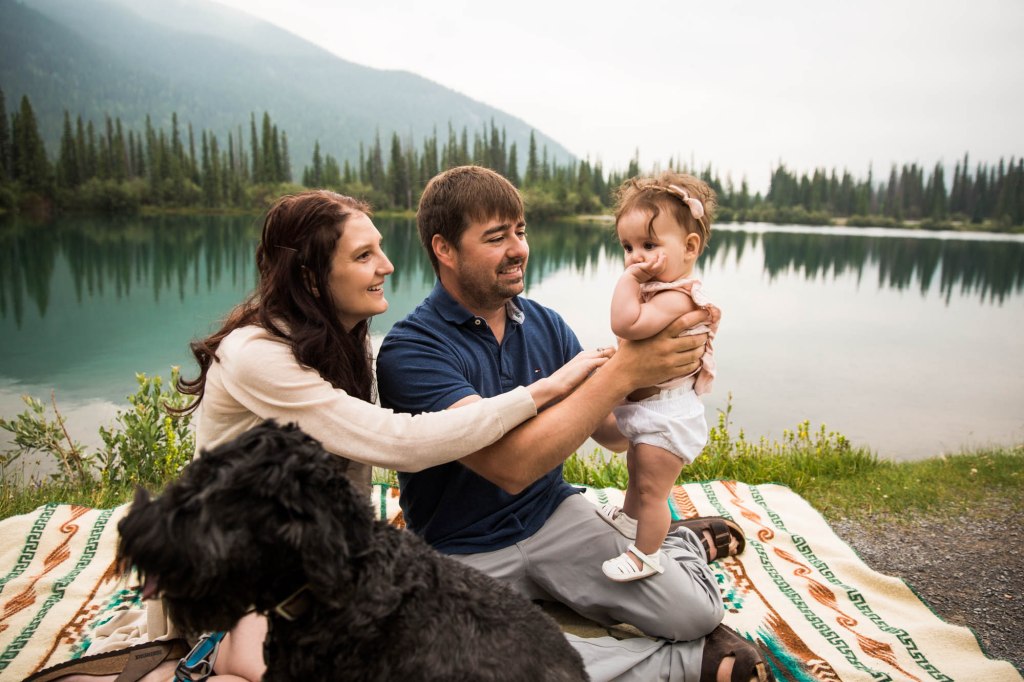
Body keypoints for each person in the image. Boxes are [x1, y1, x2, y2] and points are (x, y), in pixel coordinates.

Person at [54, 190, 609, 682]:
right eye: (363, 255)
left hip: (310, 559)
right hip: (232, 565)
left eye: (381, 249)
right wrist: (542, 391)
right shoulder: (257, 354)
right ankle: (195, 658)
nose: (387, 266)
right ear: (312, 277)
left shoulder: (347, 340)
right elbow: (399, 442)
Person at [377, 166, 774, 682]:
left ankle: (677, 543)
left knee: (697, 612)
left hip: (554, 516)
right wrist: (622, 372)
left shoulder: (544, 324)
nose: (518, 249)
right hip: (462, 550)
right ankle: (685, 663)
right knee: (440, 664)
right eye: (496, 237)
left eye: (520, 231)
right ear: (444, 249)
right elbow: (508, 467)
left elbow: (610, 435)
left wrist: (661, 382)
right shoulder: (412, 349)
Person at [598, 173, 727, 583]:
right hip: (653, 408)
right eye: (628, 247)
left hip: (667, 416)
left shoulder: (676, 296)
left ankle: (646, 554)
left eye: (649, 246)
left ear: (689, 248)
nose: (636, 257)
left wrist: (627, 280)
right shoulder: (662, 290)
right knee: (637, 472)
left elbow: (626, 323)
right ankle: (630, 520)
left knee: (654, 490)